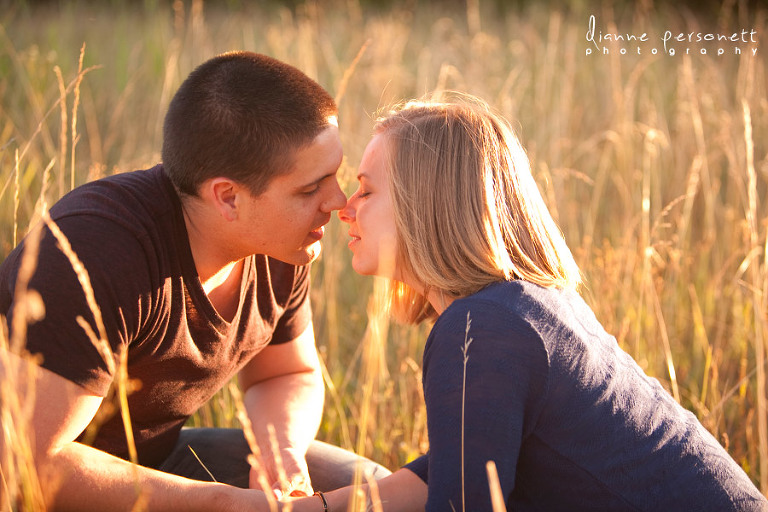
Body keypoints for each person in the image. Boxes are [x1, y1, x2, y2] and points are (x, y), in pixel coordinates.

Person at [278, 94, 768, 511]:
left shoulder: (480, 327)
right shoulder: (523, 304)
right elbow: (462, 463)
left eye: (365, 190)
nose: (344, 208)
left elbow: (461, 503)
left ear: (424, 204)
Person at [0, 51, 390, 511]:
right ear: (227, 197)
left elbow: (287, 373)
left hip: (155, 467)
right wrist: (226, 504)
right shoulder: (94, 254)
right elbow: (24, 465)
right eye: (310, 189)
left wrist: (278, 452)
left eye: (335, 176)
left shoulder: (283, 243)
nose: (338, 202)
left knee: (366, 488)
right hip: (47, 487)